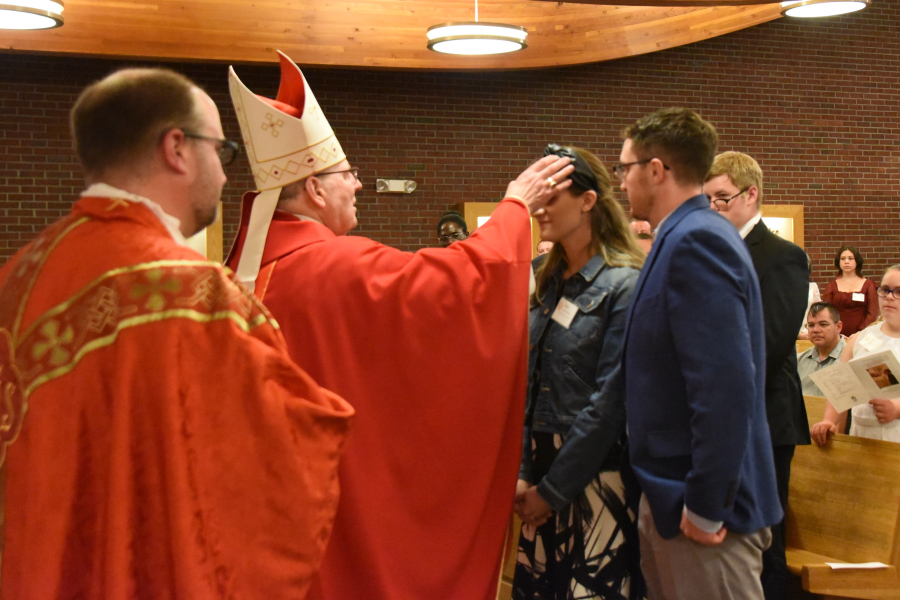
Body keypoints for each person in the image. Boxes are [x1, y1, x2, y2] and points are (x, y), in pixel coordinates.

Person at [225, 52, 576, 600]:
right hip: (334, 519)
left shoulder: (241, 277)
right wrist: (513, 209)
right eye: (349, 175)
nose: (359, 186)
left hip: (265, 516)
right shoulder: (332, 266)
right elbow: (455, 287)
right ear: (315, 190)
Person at [0, 68, 354, 600]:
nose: (228, 175)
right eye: (223, 150)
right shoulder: (190, 292)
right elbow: (287, 453)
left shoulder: (16, 276)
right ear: (177, 148)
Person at [619, 108, 781, 600]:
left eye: (624, 167)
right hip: (672, 494)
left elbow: (725, 388)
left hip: (706, 512)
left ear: (655, 170)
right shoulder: (676, 237)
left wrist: (706, 503)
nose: (621, 180)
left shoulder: (696, 242)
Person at [513, 145, 644, 600]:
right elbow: (526, 384)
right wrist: (525, 475)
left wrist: (551, 490)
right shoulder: (544, 278)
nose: (539, 206)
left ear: (588, 201)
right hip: (540, 477)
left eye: (552, 195)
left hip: (594, 477)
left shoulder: (624, 284)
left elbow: (610, 401)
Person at [704, 150, 810, 600]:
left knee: (763, 539)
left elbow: (770, 340)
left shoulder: (783, 256)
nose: (713, 209)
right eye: (706, 199)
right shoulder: (708, 251)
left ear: (752, 194)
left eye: (722, 198)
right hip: (718, 415)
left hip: (764, 414)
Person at [811, 266, 900, 446]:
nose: (889, 297)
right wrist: (829, 421)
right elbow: (841, 388)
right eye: (885, 290)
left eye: (898, 291)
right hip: (862, 435)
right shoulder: (860, 338)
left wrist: (897, 409)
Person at [822, 245, 879, 337]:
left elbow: (873, 314)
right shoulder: (831, 286)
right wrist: (836, 333)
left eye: (850, 258)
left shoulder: (868, 285)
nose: (846, 262)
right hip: (836, 336)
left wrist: (860, 333)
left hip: (863, 335)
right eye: (843, 259)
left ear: (857, 261)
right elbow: (826, 313)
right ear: (838, 262)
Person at [798, 302, 846, 397]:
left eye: (823, 324)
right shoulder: (799, 361)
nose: (815, 330)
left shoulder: (852, 358)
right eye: (811, 325)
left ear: (838, 327)